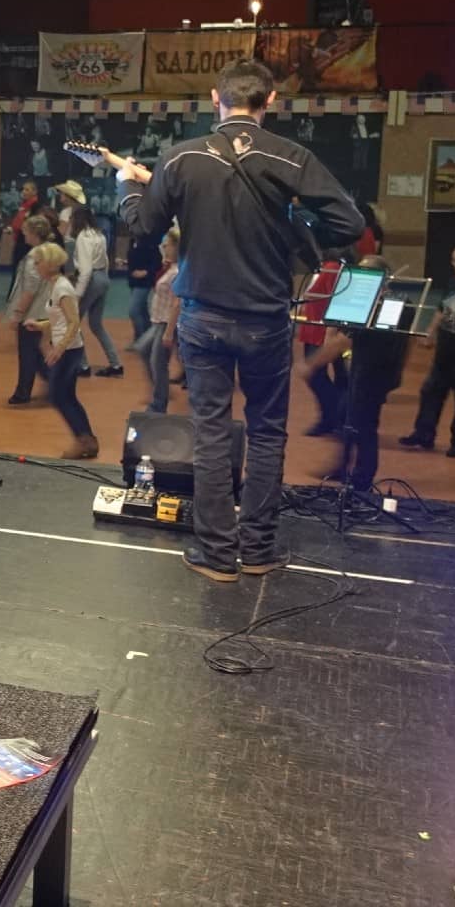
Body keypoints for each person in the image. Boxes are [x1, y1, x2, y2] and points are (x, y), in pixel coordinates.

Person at [117, 59, 362, 583]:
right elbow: (350, 222)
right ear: (269, 101)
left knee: (210, 435)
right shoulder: (290, 156)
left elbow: (142, 225)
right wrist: (292, 213)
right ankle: (258, 550)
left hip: (202, 318)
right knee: (268, 434)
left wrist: (128, 185)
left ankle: (216, 555)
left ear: (215, 98)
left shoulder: (180, 158)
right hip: (267, 320)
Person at [306, 255, 411, 490]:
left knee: (364, 426)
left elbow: (352, 338)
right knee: (346, 418)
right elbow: (339, 332)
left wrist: (312, 363)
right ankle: (342, 467)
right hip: (358, 371)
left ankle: (363, 478)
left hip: (376, 374)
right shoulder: (359, 302)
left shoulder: (398, 304)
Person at [398, 243, 455, 457]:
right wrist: (431, 332)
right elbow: (442, 309)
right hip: (445, 353)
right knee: (430, 393)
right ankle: (423, 434)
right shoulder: (453, 283)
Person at [21, 242, 96, 458]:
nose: (36, 266)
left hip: (69, 350)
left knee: (59, 395)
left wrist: (59, 348)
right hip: (67, 348)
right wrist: (43, 325)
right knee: (65, 396)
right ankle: (86, 439)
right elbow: (61, 319)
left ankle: (84, 439)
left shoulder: (62, 287)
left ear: (50, 263)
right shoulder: (55, 285)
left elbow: (73, 322)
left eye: (38, 262)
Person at [60, 200, 122, 377]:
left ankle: (83, 365)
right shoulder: (98, 234)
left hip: (92, 279)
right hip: (103, 277)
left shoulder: (83, 238)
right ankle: (115, 364)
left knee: (73, 322)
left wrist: (78, 294)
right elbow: (106, 260)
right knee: (96, 324)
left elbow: (86, 270)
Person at [293, 250, 351, 436]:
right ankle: (334, 418)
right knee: (328, 377)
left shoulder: (333, 269)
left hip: (324, 330)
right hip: (315, 328)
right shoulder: (324, 268)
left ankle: (334, 417)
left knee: (318, 376)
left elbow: (332, 300)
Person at [5, 215, 55, 405]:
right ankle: (54, 384)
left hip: (33, 312)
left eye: (25, 230)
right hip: (44, 308)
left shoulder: (34, 257)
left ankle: (23, 392)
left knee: (28, 353)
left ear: (34, 233)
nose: (23, 234)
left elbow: (29, 289)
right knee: (35, 351)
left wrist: (18, 313)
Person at [136, 229, 182, 414]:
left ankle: (158, 404)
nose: (163, 248)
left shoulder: (179, 271)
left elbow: (178, 303)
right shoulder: (171, 266)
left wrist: (169, 332)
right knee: (143, 349)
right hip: (158, 320)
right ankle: (161, 391)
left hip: (166, 322)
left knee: (158, 362)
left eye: (167, 245)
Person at [125, 227, 163, 347]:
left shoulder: (149, 243)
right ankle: (147, 338)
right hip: (134, 281)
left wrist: (146, 272)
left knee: (134, 310)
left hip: (144, 282)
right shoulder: (134, 241)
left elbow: (157, 261)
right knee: (142, 310)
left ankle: (141, 340)